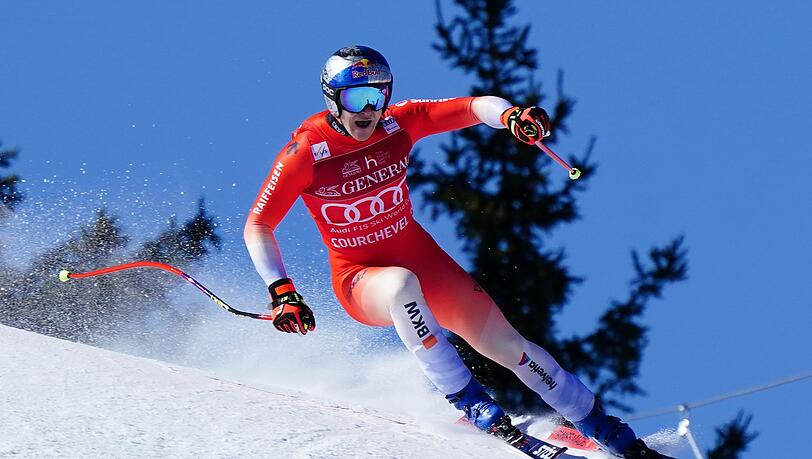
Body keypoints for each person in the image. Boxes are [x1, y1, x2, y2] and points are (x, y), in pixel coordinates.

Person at [244, 45, 660, 457]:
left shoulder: (397, 125)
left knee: (509, 345)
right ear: (332, 97)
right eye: (357, 98)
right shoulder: (307, 152)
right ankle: (472, 403)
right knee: (400, 286)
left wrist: (511, 116)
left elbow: (474, 107)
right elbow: (258, 225)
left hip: (423, 260)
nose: (369, 110)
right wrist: (282, 290)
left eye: (378, 95)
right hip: (359, 278)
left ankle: (609, 431)